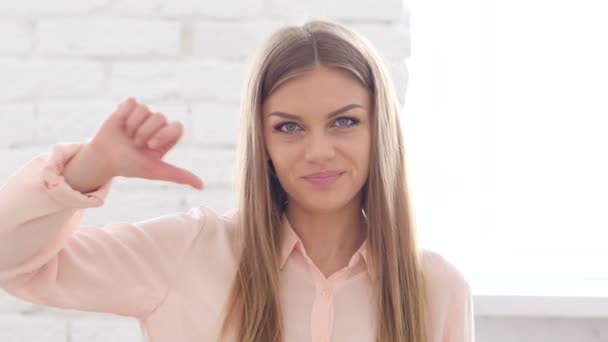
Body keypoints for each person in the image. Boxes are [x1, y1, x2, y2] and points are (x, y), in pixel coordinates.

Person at [0, 19, 473, 342]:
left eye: (344, 122)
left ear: (380, 129)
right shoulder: (187, 254)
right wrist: (91, 167)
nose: (318, 151)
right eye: (289, 127)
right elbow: (13, 262)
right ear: (261, 140)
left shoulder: (436, 287)